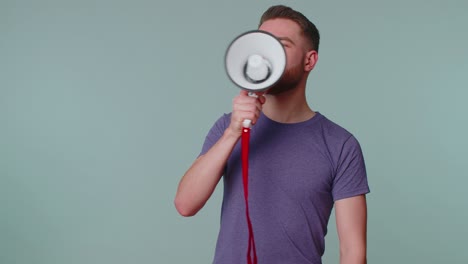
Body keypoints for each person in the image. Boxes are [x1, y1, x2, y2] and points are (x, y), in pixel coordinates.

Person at [175, 5, 370, 264]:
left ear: (309, 60)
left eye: (282, 45)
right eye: (263, 44)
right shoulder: (226, 128)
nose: (267, 54)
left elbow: (353, 252)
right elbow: (185, 204)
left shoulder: (340, 145)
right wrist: (234, 132)